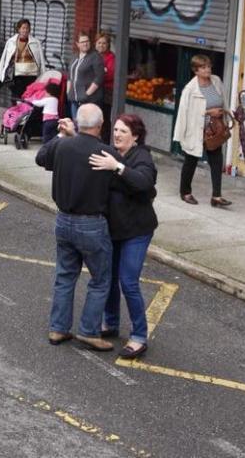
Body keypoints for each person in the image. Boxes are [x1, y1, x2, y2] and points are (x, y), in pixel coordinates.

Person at [35, 104, 119, 351]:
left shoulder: (62, 146)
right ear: (101, 125)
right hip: (91, 223)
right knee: (101, 279)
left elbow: (41, 157)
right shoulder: (104, 153)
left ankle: (58, 328)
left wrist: (62, 135)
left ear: (78, 123)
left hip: (63, 219)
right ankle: (89, 331)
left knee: (65, 275)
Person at [89, 114, 158, 359]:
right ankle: (111, 322)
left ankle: (139, 336)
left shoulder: (142, 156)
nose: (117, 134)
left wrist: (117, 168)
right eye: (115, 130)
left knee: (128, 281)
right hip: (114, 229)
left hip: (137, 231)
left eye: (123, 131)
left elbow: (144, 182)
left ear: (136, 136)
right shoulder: (111, 152)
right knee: (109, 277)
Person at [173, 54, 232, 208]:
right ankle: (185, 192)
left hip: (214, 130)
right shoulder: (190, 89)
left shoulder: (216, 81)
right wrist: (208, 112)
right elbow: (185, 112)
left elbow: (224, 100)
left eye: (209, 66)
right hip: (196, 130)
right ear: (196, 70)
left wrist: (226, 116)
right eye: (203, 67)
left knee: (217, 161)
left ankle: (216, 196)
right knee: (190, 162)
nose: (208, 70)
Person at [0, 18, 45, 101]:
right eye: (23, 28)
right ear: (19, 29)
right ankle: (16, 112)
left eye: (27, 28)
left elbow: (41, 60)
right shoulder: (11, 41)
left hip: (30, 75)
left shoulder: (36, 42)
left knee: (27, 96)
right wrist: (1, 75)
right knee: (16, 96)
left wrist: (43, 76)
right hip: (15, 74)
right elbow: (4, 59)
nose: (25, 30)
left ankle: (24, 112)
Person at [67, 32, 105, 122]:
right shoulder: (74, 57)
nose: (85, 43)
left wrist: (87, 94)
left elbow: (99, 78)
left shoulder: (95, 57)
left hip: (89, 100)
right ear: (77, 44)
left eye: (87, 41)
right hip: (74, 99)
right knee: (76, 125)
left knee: (86, 125)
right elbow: (70, 76)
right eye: (82, 42)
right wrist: (68, 92)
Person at [96, 32, 115, 139]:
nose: (101, 45)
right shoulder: (93, 56)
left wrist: (97, 75)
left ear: (108, 45)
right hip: (94, 92)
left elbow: (110, 74)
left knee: (105, 118)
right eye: (99, 43)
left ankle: (105, 141)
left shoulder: (111, 58)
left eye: (104, 43)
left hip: (106, 92)